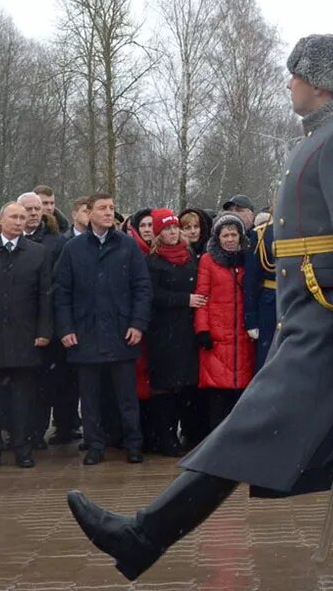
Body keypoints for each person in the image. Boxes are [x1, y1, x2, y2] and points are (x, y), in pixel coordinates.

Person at [68, 33, 333, 590]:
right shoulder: (322, 138)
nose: (289, 82)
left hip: (332, 317)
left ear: (320, 81)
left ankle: (143, 536)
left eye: (295, 74)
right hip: (318, 313)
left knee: (251, 425)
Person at [55, 193, 151, 465]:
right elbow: (61, 292)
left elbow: (142, 288)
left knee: (126, 397)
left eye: (112, 208)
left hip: (121, 332)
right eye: (102, 208)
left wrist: (137, 324)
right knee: (90, 398)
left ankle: (133, 444)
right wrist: (65, 328)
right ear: (89, 212)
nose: (109, 213)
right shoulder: (73, 249)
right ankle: (95, 445)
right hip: (85, 334)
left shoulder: (127, 246)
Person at [0, 200, 54, 469]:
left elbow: (45, 296)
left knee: (23, 400)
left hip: (25, 336)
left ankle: (22, 448)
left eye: (23, 217)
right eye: (14, 217)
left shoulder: (38, 253)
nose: (19, 221)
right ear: (0, 221)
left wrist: (44, 330)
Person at [142, 207, 201, 456]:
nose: (173, 232)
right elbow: (153, 295)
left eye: (175, 227)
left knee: (186, 385)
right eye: (167, 228)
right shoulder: (153, 262)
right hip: (164, 332)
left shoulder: (189, 257)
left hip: (187, 331)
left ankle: (185, 433)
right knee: (165, 388)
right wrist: (184, 299)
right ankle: (165, 437)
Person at [23, 189, 78, 449]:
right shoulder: (9, 239)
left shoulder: (57, 242)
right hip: (16, 325)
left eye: (39, 208)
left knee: (47, 382)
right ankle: (21, 430)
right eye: (30, 209)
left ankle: (39, 431)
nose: (35, 213)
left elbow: (60, 284)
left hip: (48, 323)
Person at [195, 213, 256, 435]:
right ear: (217, 237)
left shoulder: (249, 259)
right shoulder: (208, 260)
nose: (230, 239)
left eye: (233, 234)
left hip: (243, 334)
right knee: (218, 395)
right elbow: (202, 297)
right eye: (225, 235)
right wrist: (202, 329)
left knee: (242, 392)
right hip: (217, 336)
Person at [242, 209, 279, 363]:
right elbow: (251, 279)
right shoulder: (261, 234)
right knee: (267, 359)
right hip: (270, 304)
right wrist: (251, 318)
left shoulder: (310, 232)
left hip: (303, 302)